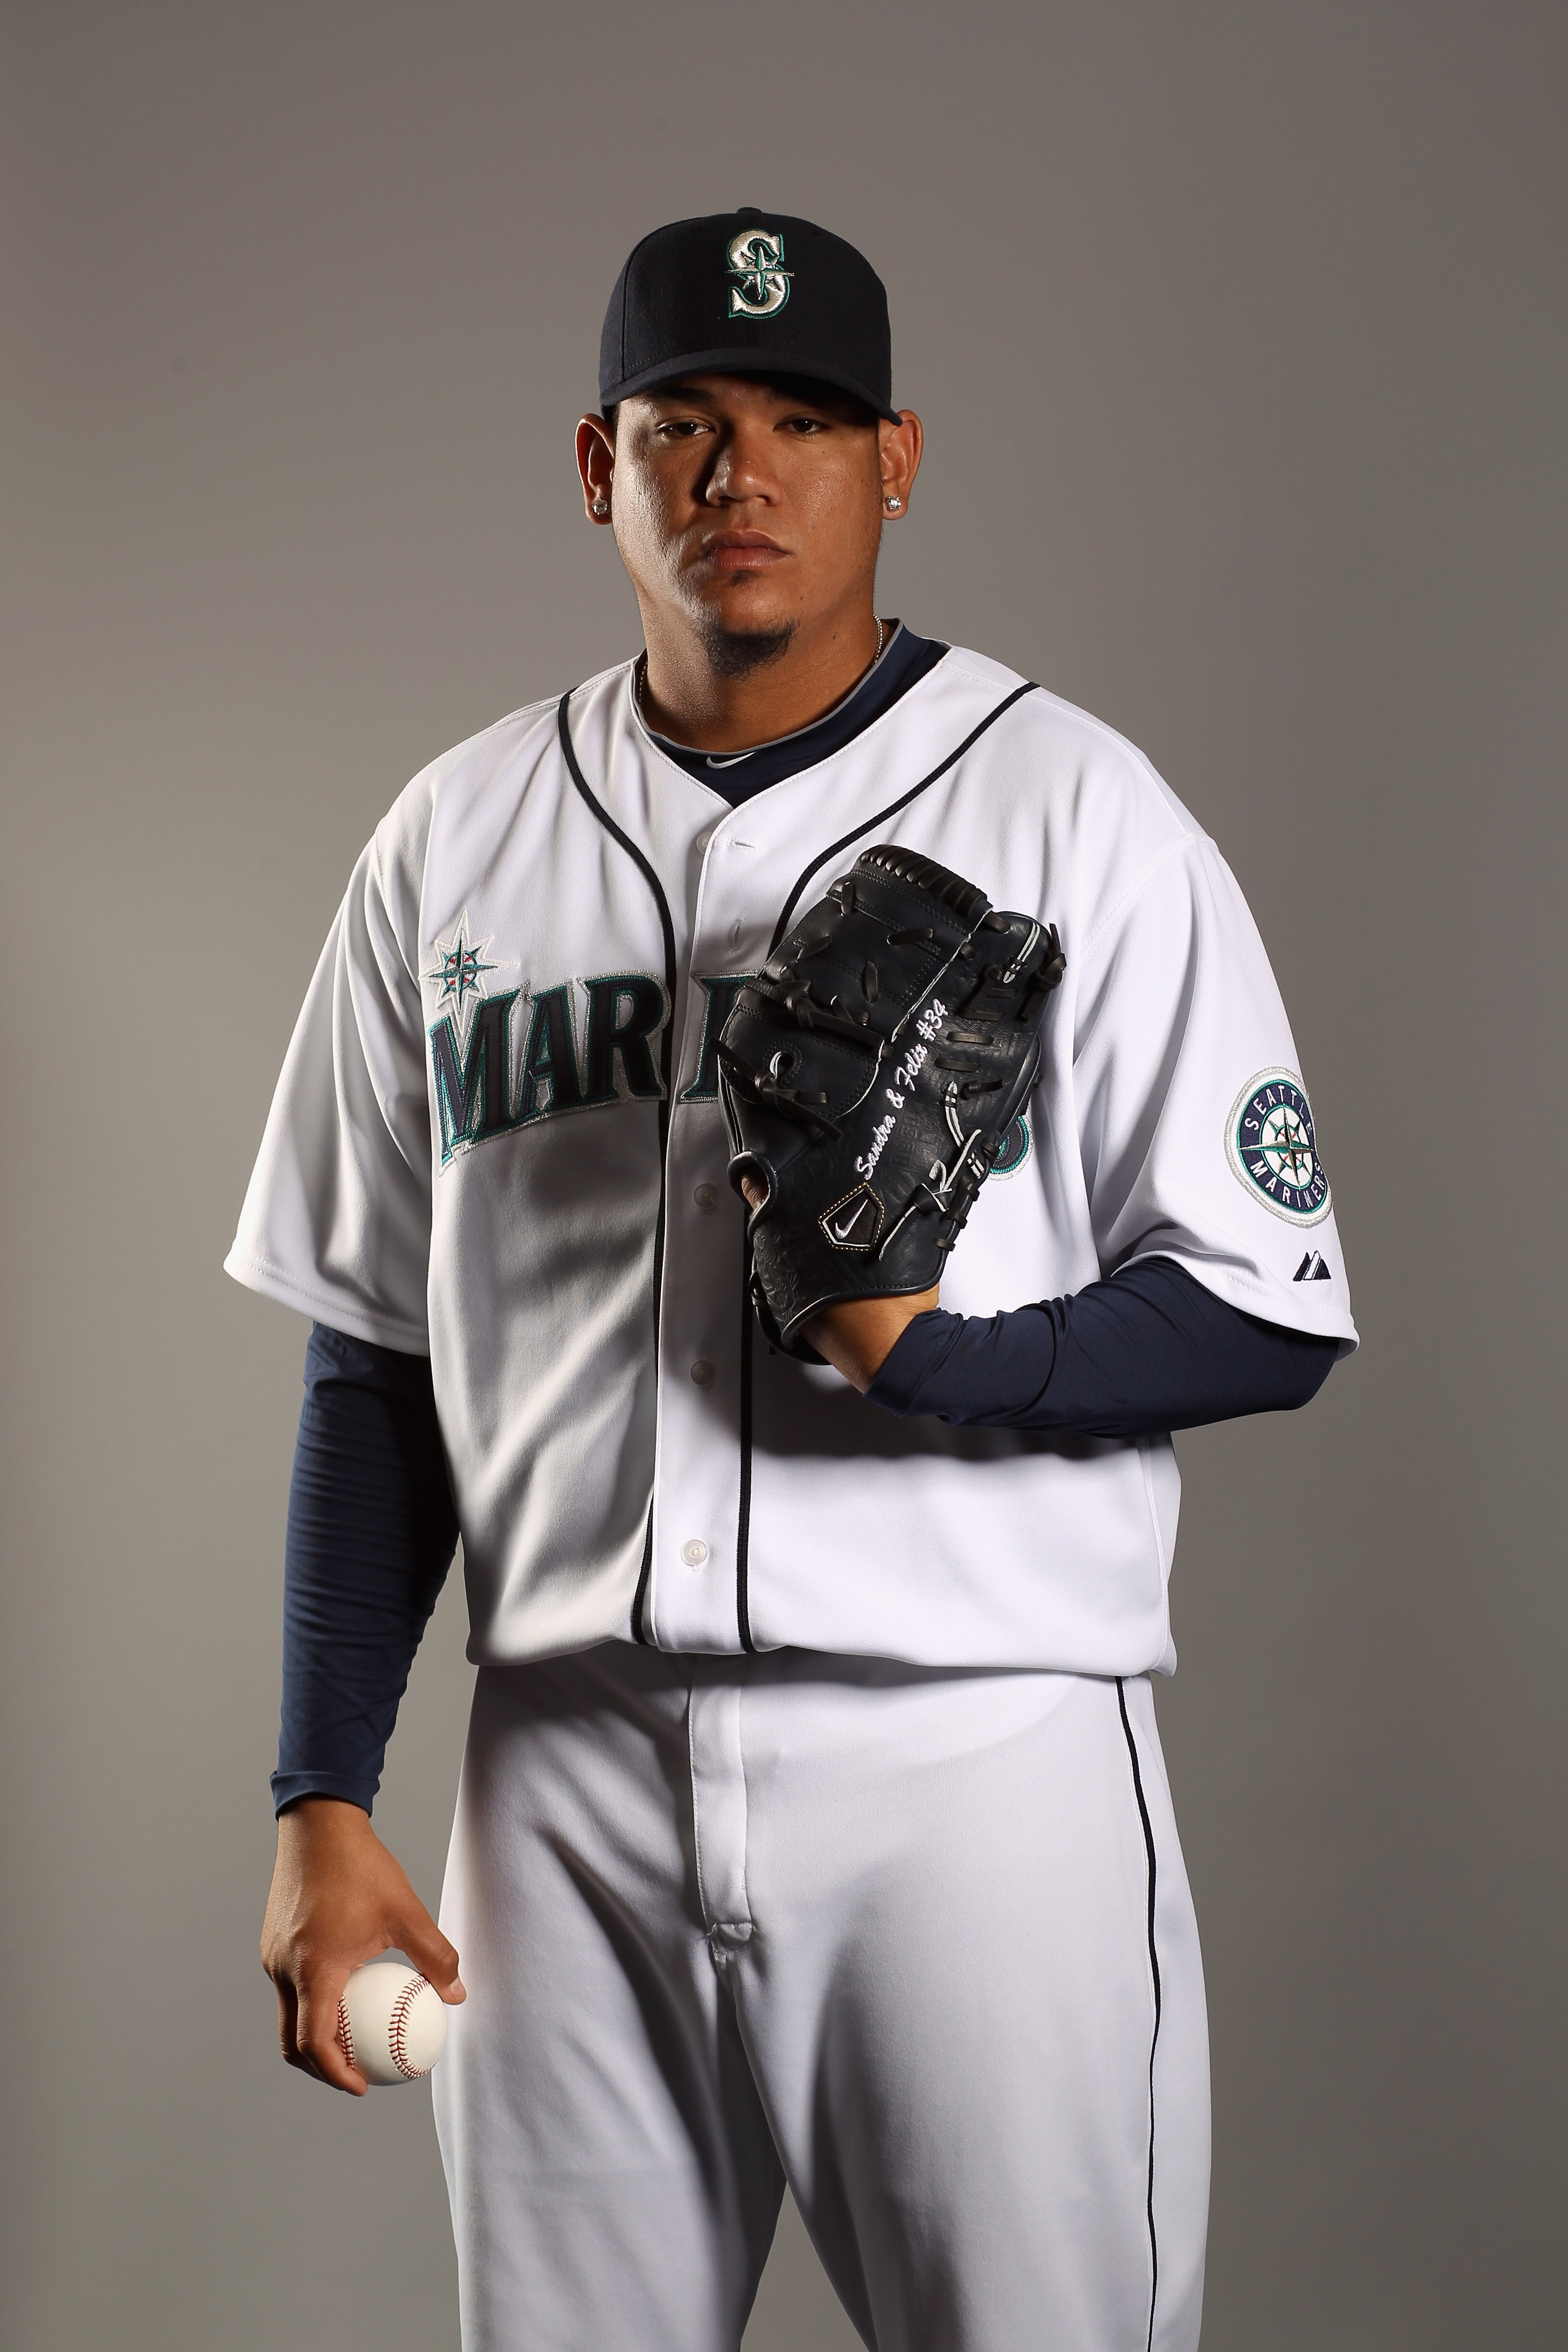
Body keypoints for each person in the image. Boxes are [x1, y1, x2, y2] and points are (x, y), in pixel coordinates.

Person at [231, 208, 1356, 2352]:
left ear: (895, 460)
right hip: (557, 1780)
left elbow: (1269, 1300)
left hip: (972, 1755)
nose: (742, 472)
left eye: (805, 421)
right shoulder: (450, 843)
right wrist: (321, 1792)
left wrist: (941, 1360)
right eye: (687, 424)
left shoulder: (1080, 810)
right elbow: (375, 1358)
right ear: (600, 467)